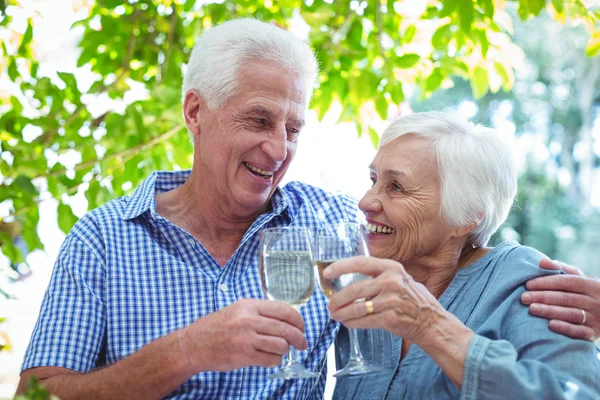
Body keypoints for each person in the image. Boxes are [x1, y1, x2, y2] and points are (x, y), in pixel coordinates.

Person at [16, 19, 599, 400]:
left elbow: (456, 248)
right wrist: (188, 350)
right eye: (258, 120)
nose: (279, 149)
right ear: (195, 112)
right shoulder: (101, 240)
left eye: (293, 128)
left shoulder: (335, 228)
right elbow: (37, 395)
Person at [324, 112, 600, 399]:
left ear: (466, 216)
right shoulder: (360, 280)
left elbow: (577, 394)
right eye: (373, 180)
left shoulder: (529, 283)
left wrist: (429, 325)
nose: (365, 202)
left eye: (396, 187)